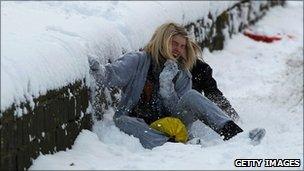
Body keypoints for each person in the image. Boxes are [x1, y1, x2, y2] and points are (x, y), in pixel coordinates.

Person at [89, 22, 243, 149]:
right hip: (140, 121)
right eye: (174, 43)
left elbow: (176, 109)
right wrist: (98, 69)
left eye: (182, 46)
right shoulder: (138, 60)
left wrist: (166, 87)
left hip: (174, 123)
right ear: (162, 40)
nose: (178, 49)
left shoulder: (182, 71)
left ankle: (236, 135)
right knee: (122, 121)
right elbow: (111, 75)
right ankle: (174, 146)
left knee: (192, 95)